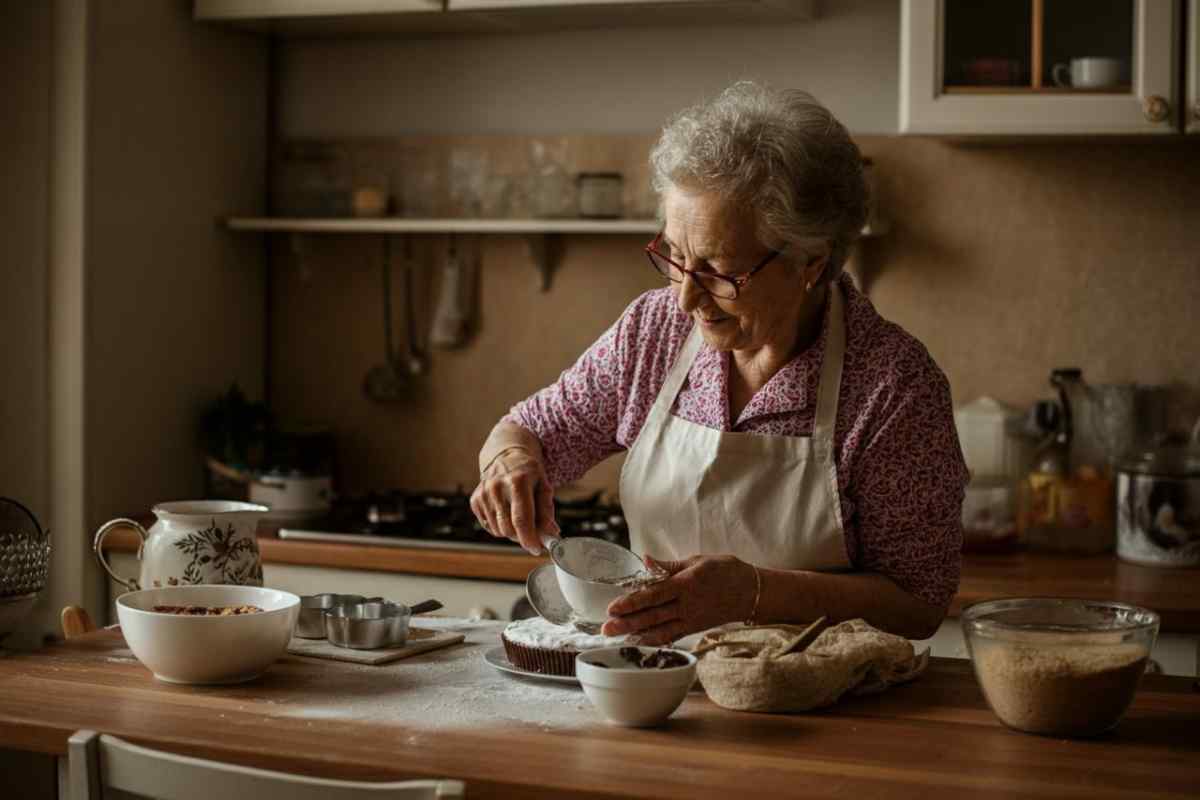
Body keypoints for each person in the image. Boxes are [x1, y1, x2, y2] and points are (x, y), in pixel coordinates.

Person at [470, 82, 968, 644]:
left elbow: (917, 603)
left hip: (822, 711)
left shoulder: (892, 386)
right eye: (676, 258)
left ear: (809, 261)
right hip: (652, 690)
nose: (686, 297)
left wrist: (755, 594)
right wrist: (509, 462)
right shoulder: (654, 332)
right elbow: (532, 429)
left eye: (720, 271)